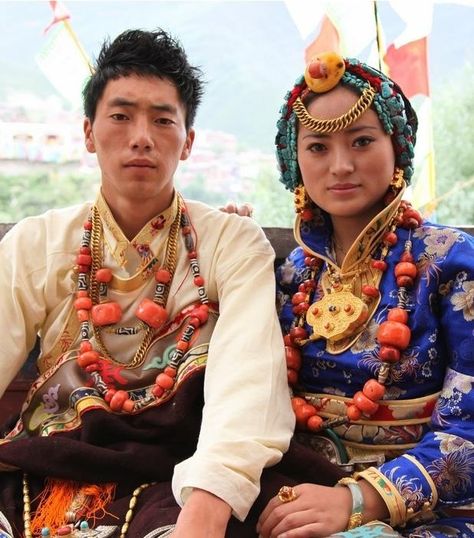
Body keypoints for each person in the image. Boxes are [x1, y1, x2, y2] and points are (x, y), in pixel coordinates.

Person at [0, 29, 295, 538]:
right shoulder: (36, 243)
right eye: (120, 116)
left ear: (188, 142)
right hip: (47, 462)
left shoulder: (232, 243)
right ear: (89, 133)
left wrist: (206, 508)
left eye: (162, 120)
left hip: (175, 474)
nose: (141, 136)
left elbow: (250, 382)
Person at [249, 52, 474, 537]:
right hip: (300, 497)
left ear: (397, 148)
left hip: (430, 513)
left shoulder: (454, 262)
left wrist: (361, 499)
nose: (341, 165)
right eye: (318, 148)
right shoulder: (291, 274)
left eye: (362, 141)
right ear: (294, 163)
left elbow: (470, 427)